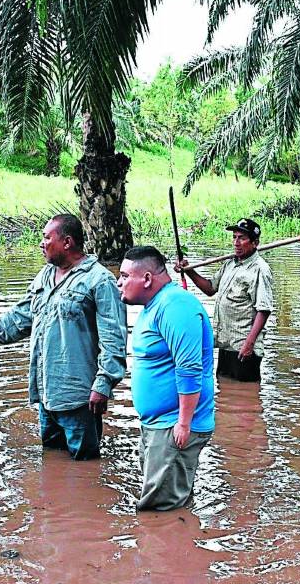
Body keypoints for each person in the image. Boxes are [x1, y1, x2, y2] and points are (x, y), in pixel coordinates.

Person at [0, 214, 126, 460]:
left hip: (80, 396)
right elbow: (23, 314)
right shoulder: (45, 275)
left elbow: (114, 337)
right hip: (47, 392)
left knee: (86, 464)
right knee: (52, 459)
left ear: (67, 242)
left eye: (46, 238)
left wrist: (104, 383)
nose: (42, 243)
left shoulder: (99, 280)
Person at [117, 245, 215, 511]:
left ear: (147, 279)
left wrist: (183, 424)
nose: (119, 282)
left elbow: (189, 369)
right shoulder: (155, 306)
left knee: (160, 511)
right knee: (170, 503)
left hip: (174, 426)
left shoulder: (176, 306)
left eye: (125, 276)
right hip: (159, 424)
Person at [177, 217, 274, 382]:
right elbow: (209, 288)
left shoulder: (260, 269)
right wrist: (189, 271)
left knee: (246, 397)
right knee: (225, 391)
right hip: (226, 344)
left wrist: (249, 344)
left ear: (255, 243)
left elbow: (263, 310)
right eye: (234, 237)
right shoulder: (229, 263)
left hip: (244, 347)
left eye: (242, 238)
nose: (236, 242)